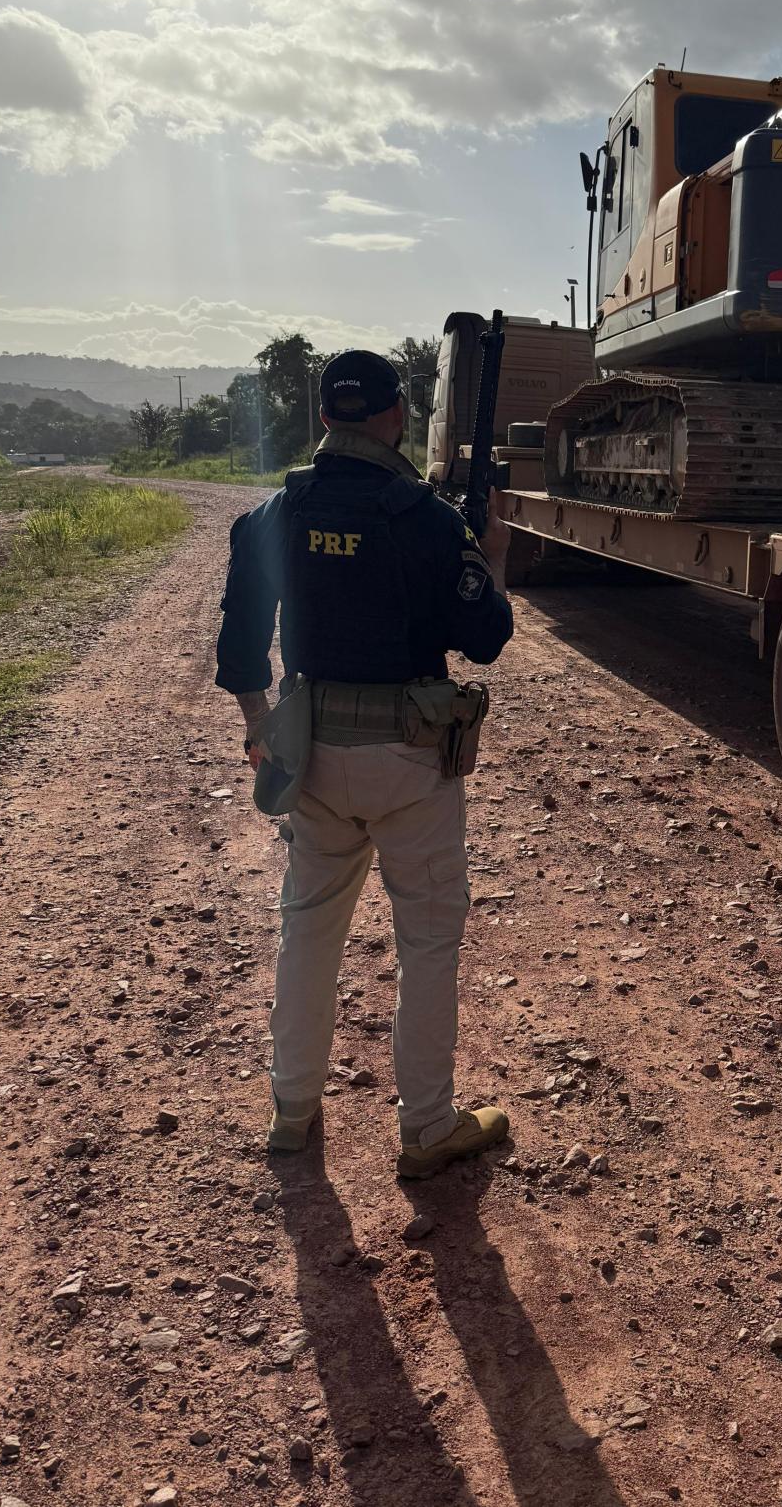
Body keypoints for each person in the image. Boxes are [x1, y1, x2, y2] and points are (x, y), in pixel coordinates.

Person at [214, 347, 514, 1178]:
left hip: (311, 751)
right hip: (413, 758)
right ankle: (425, 1127)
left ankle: (292, 1108)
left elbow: (241, 640)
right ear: (395, 416)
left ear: (322, 418)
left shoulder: (280, 509)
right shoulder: (422, 516)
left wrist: (259, 724)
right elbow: (486, 637)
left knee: (307, 926)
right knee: (427, 939)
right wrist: (490, 550)